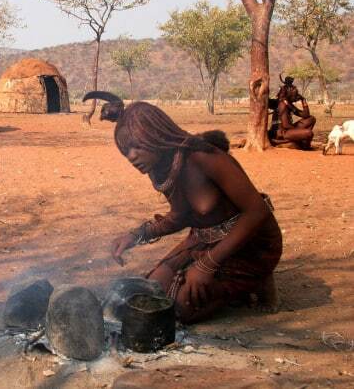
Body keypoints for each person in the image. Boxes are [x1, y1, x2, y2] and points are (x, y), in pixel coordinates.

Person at [84, 91, 282, 324]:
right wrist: (136, 235)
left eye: (136, 147)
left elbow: (257, 211)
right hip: (203, 240)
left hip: (251, 243)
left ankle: (255, 279)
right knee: (150, 292)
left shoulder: (205, 157)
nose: (131, 156)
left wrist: (207, 264)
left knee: (179, 307)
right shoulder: (161, 167)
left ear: (155, 135)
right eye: (126, 151)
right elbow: (179, 217)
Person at [268, 76, 316, 150]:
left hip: (288, 129)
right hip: (282, 133)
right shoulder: (283, 104)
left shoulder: (288, 104)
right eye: (295, 95)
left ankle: (300, 141)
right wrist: (298, 131)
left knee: (311, 119)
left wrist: (303, 100)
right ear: (289, 94)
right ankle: (301, 145)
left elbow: (306, 115)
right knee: (309, 133)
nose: (297, 97)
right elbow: (286, 125)